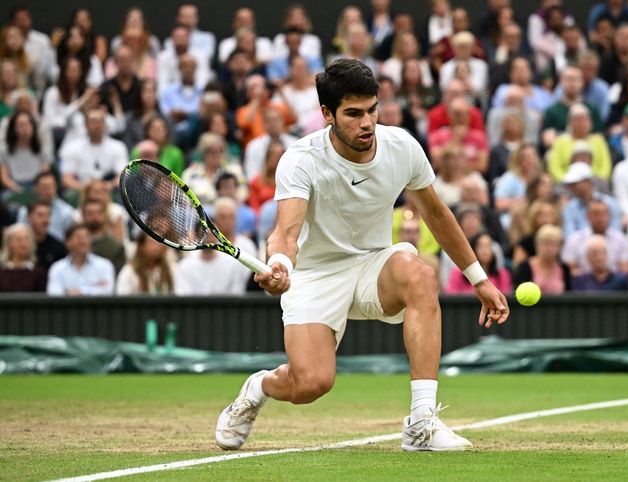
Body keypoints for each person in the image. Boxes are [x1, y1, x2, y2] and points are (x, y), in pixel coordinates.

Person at [215, 59, 509, 453]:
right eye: (353, 114)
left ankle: (421, 422)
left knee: (420, 274)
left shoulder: (401, 147)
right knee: (311, 385)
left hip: (373, 265)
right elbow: (286, 232)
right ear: (327, 114)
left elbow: (437, 214)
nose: (367, 123)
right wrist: (281, 266)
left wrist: (479, 279)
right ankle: (258, 387)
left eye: (372, 110)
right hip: (316, 275)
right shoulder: (301, 159)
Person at [175, 197, 257, 295]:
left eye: (231, 216)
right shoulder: (188, 261)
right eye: (222, 216)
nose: (227, 221)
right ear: (216, 219)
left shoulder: (247, 247)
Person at [58, 107, 129, 195]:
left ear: (105, 124)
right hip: (81, 190)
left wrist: (109, 185)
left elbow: (123, 175)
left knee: (122, 193)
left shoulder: (118, 146)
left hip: (108, 190)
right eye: (93, 121)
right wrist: (85, 188)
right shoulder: (72, 147)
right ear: (85, 124)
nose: (97, 125)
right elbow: (66, 179)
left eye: (100, 121)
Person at [561, 198, 628, 276]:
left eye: (603, 214)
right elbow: (571, 269)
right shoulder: (574, 239)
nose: (600, 218)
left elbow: (625, 269)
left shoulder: (621, 239)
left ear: (610, 216)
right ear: (587, 216)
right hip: (583, 284)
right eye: (596, 214)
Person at [46, 223, 115, 296]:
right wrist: (94, 289)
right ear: (67, 243)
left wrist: (81, 291)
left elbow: (108, 291)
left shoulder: (104, 265)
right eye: (78, 237)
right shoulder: (57, 268)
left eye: (87, 237)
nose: (83, 241)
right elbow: (54, 294)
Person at [444, 232, 512, 294]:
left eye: (488, 246)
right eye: (480, 246)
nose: (485, 250)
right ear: (472, 249)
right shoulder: (457, 274)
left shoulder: (502, 274)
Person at [16, 172, 75, 242]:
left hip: (57, 249)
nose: (48, 191)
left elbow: (70, 239)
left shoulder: (67, 211)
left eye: (51, 186)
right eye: (44, 187)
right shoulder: (24, 211)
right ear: (36, 188)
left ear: (56, 187)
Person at [513, 224, 571, 293]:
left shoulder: (564, 268)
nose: (550, 248)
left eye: (554, 243)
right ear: (537, 244)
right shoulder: (525, 267)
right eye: (546, 243)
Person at [80, 199, 126, 274]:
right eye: (90, 213)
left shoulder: (116, 246)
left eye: (98, 213)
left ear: (104, 216)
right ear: (83, 216)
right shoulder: (74, 244)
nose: (94, 217)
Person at [0, 223, 47, 292]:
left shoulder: (39, 273)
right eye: (19, 240)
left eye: (27, 239)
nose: (23, 244)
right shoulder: (1, 272)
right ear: (9, 243)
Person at [24, 201, 67, 270]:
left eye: (48, 215)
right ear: (29, 217)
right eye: (40, 215)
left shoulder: (58, 247)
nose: (45, 220)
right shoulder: (20, 245)